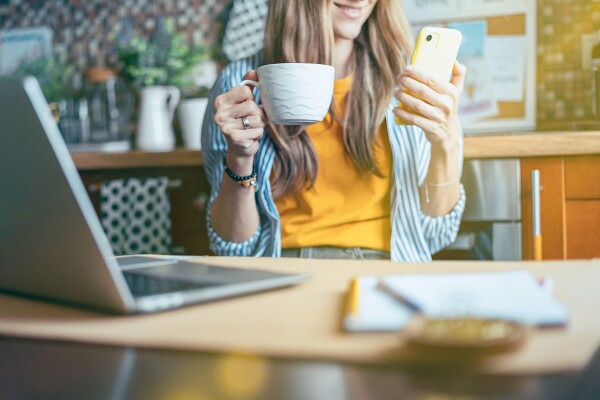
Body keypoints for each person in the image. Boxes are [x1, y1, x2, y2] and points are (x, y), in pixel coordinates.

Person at [201, 0, 467, 262]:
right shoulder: (240, 84)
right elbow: (233, 247)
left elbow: (436, 234)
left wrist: (446, 144)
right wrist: (240, 156)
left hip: (384, 265)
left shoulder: (410, 82)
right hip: (285, 265)